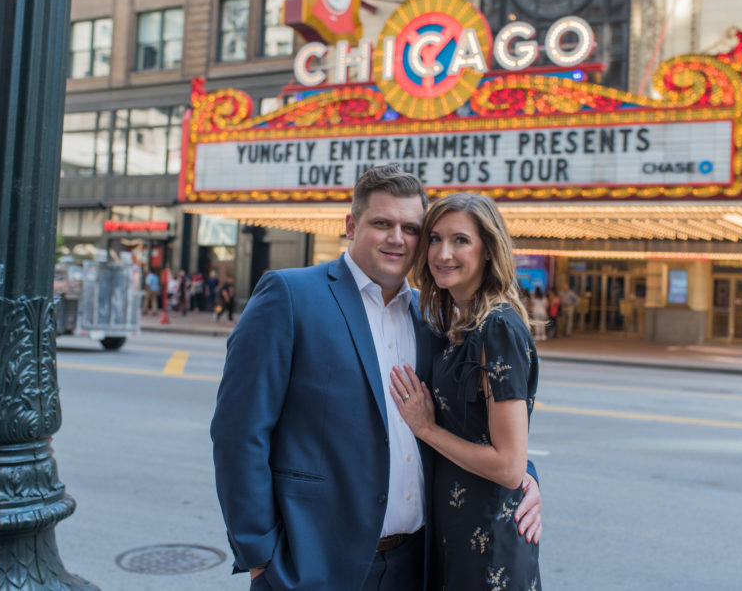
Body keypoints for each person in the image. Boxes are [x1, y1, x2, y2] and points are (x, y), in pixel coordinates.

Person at [210, 165, 542, 590]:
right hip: (315, 566)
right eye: (382, 223)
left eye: (411, 228)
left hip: (417, 564)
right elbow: (239, 432)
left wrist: (525, 476)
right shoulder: (290, 295)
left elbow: (473, 416)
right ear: (351, 225)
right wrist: (260, 555)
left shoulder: (434, 317)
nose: (397, 238)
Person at [390, 192, 541, 590]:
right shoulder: (459, 324)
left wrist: (426, 429)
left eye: (460, 240)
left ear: (489, 250)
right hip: (455, 531)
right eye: (435, 239)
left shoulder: (497, 328)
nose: (443, 253)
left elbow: (509, 466)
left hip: (486, 543)